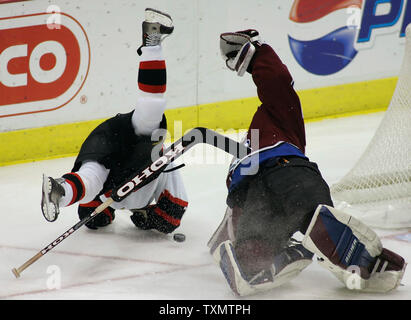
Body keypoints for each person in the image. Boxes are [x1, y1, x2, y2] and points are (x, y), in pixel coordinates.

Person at [208, 29, 406, 296]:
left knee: (281, 228)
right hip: (274, 182)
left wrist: (258, 52)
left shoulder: (255, 141)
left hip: (270, 184)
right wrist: (257, 50)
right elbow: (278, 80)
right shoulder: (264, 132)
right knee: (296, 221)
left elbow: (277, 82)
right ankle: (356, 259)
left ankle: (253, 262)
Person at [41, 8, 188, 235]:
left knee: (92, 193)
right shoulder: (164, 159)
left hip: (113, 139)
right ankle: (152, 43)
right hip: (121, 142)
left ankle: (62, 189)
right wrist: (148, 218)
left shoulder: (159, 151)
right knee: (150, 110)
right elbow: (172, 215)